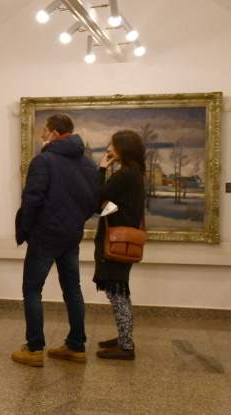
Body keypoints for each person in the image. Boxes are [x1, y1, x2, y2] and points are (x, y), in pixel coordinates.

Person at [12, 114, 98, 367]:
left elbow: (32, 199)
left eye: (45, 130)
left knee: (32, 289)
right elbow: (93, 202)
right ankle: (76, 346)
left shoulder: (43, 161)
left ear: (55, 133)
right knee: (72, 289)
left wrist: (26, 229)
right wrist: (75, 222)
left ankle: (34, 348)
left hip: (44, 236)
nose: (42, 135)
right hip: (71, 235)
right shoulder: (88, 163)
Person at [94, 130, 146, 360]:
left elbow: (98, 195)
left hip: (117, 242)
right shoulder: (135, 173)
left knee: (117, 293)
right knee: (120, 290)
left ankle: (125, 346)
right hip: (123, 240)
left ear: (123, 148)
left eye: (112, 145)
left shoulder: (126, 175)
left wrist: (101, 169)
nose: (108, 149)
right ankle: (124, 337)